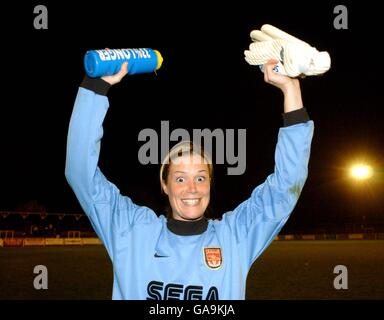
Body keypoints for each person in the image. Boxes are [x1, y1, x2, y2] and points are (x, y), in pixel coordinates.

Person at [65, 59, 314, 300]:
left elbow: (286, 185)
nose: (192, 189)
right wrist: (96, 87)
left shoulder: (235, 235)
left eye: (201, 177)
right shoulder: (131, 230)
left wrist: (291, 88)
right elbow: (80, 173)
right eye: (181, 179)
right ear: (165, 185)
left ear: (210, 184)